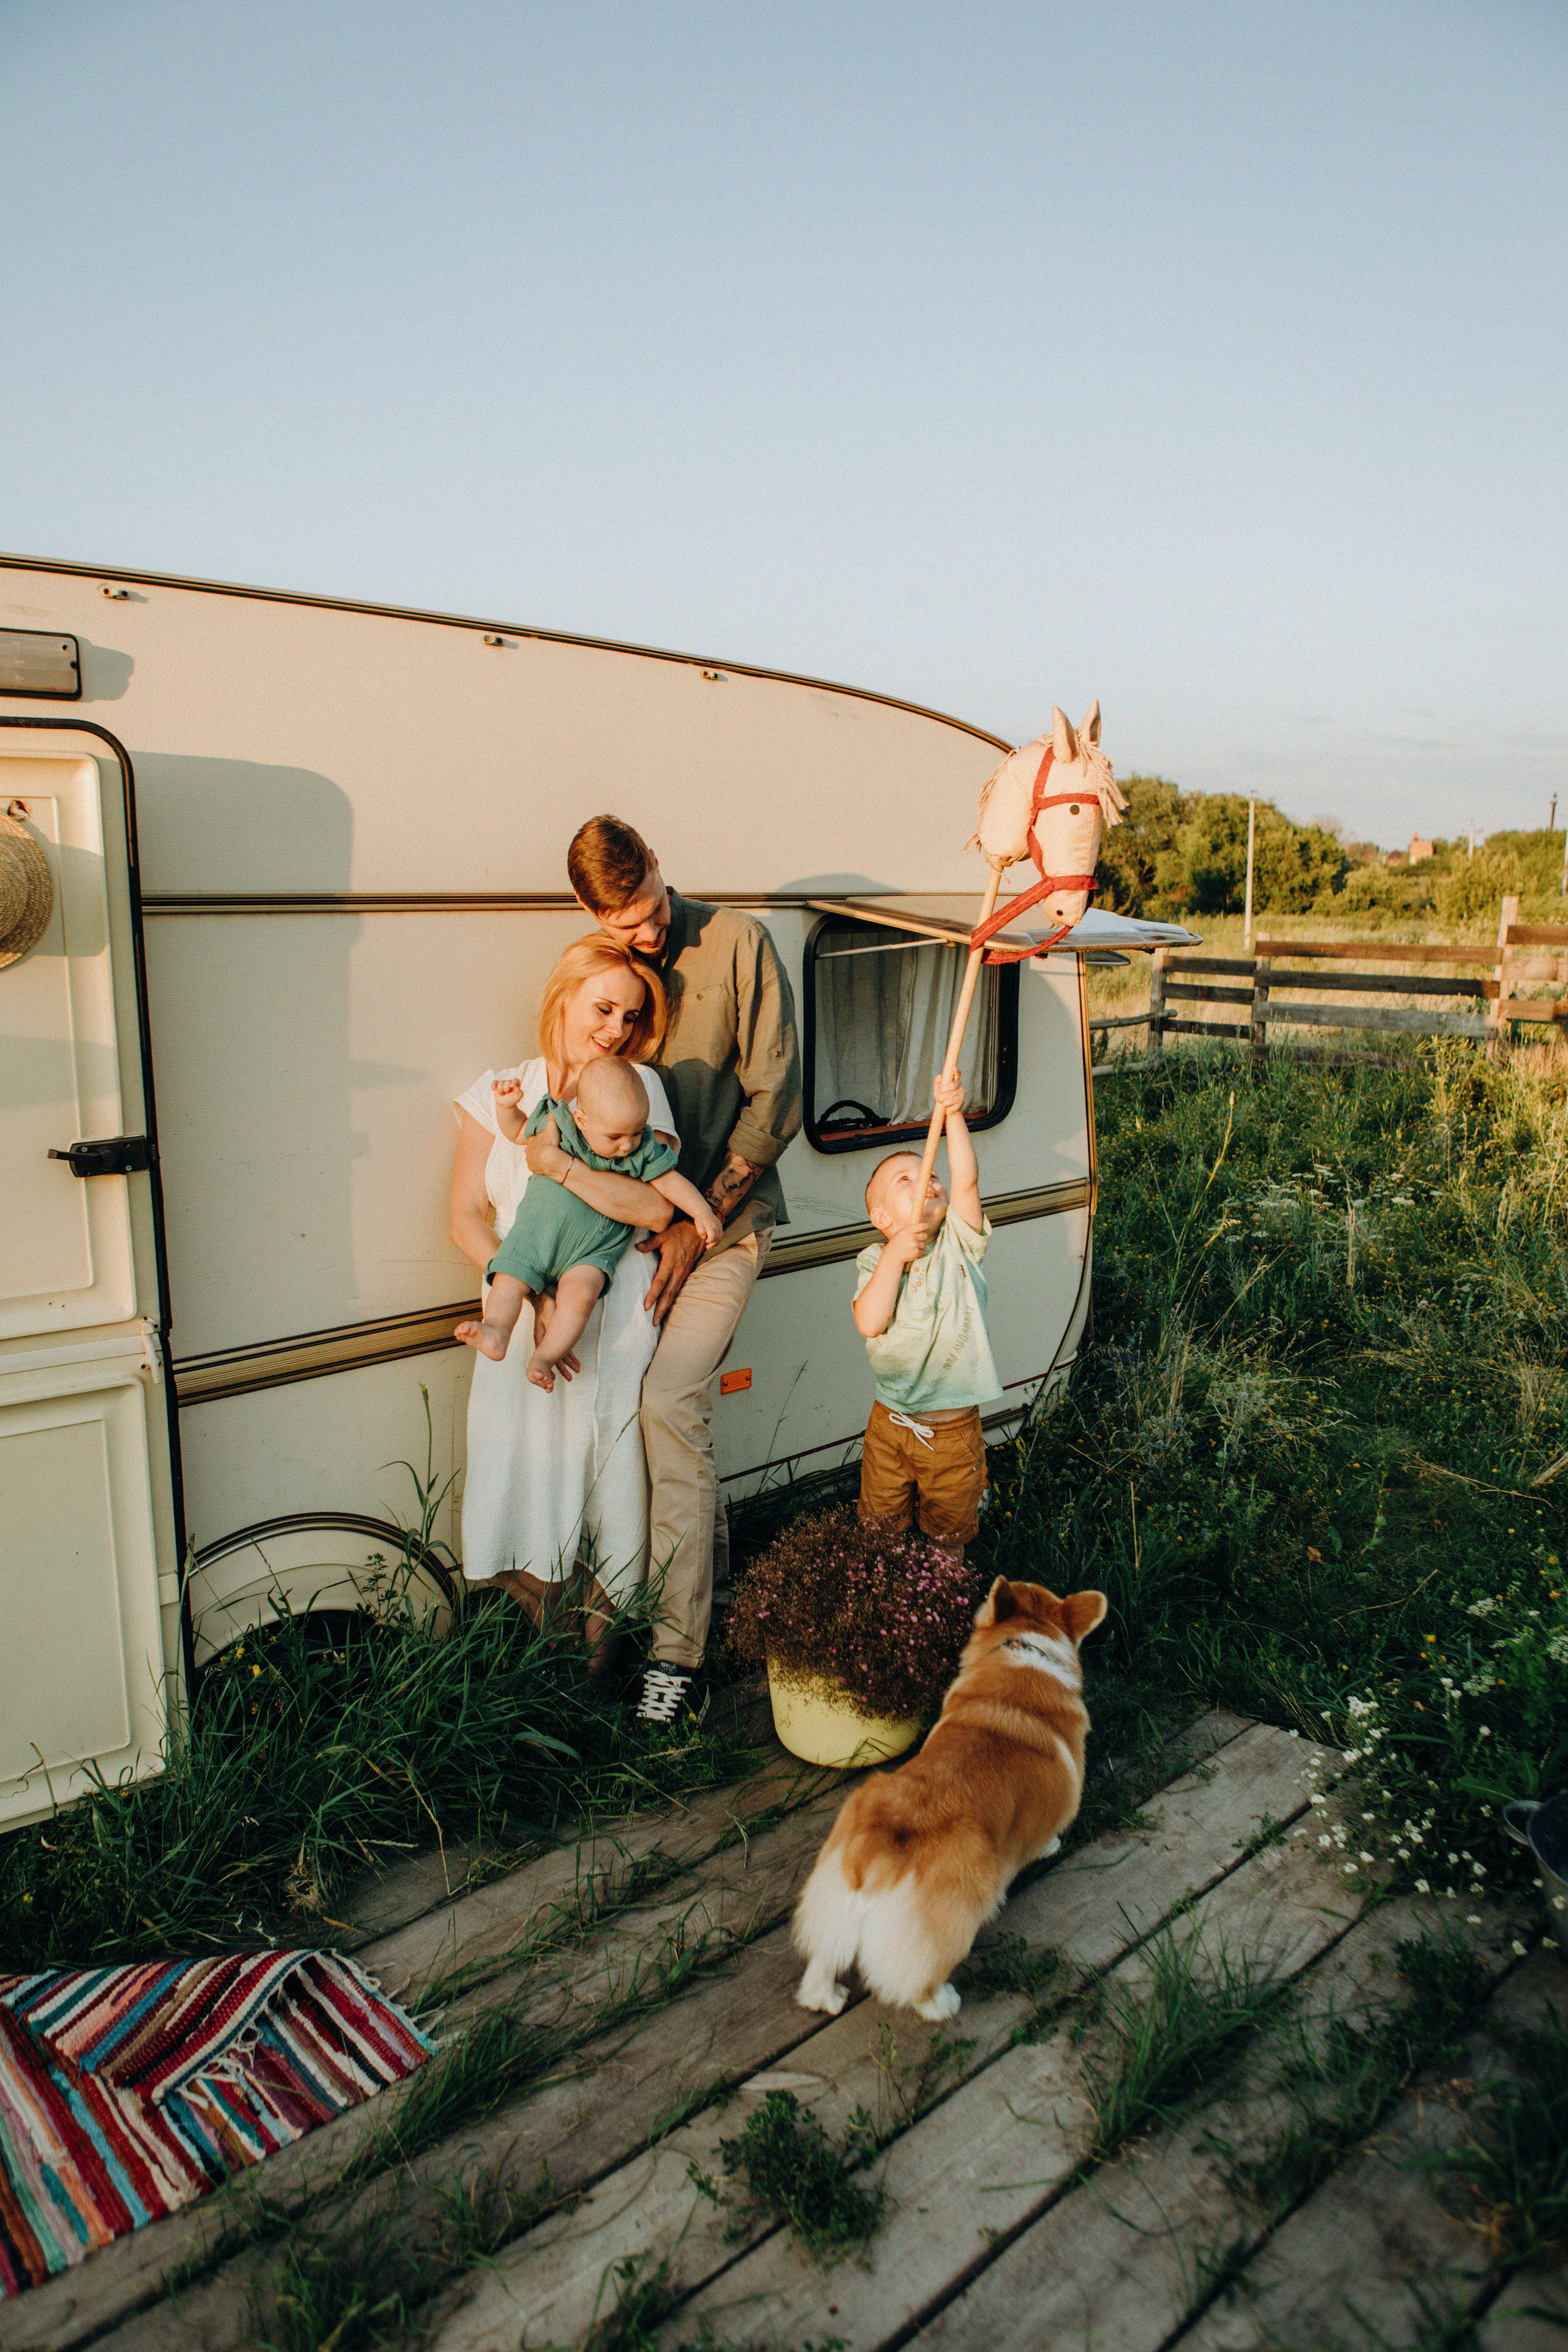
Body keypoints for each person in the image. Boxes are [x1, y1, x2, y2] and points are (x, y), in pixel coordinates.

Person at [550, 816, 802, 1729]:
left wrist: (703, 1223)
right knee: (633, 1412)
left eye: (654, 907)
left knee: (668, 1401)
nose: (650, 931)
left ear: (659, 864)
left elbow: (777, 1096)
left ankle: (677, 1660)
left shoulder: (739, 942)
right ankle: (714, 1603)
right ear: (594, 916)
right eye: (627, 923)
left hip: (729, 1230)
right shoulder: (605, 977)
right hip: (632, 1244)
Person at [449, 933, 679, 1667]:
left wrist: (558, 1168)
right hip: (516, 1313)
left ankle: (600, 1670)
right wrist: (533, 1293)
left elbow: (652, 1207)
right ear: (563, 998)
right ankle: (544, 1663)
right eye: (603, 1009)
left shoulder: (638, 1085)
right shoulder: (499, 1092)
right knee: (523, 1471)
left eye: (631, 1017)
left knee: (605, 1478)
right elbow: (465, 1218)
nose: (616, 1029)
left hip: (609, 1315)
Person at [456, 1059, 720, 1382]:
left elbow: (671, 1183)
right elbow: (517, 1131)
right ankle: (497, 1331)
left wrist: (702, 1212)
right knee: (508, 1278)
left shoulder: (641, 1150)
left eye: (637, 1133)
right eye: (615, 1136)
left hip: (592, 1252)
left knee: (581, 1298)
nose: (627, 1145)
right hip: (535, 1236)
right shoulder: (558, 1121)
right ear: (582, 1120)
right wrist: (506, 1107)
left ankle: (545, 1357)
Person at [851, 1070, 1001, 1551]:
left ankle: (944, 1587)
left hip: (952, 1431)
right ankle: (888, 1588)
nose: (927, 1182)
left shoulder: (960, 1242)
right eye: (906, 1180)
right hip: (891, 1423)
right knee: (880, 1529)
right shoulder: (875, 1261)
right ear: (881, 1218)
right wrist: (895, 1256)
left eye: (931, 1174)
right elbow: (869, 1321)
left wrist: (953, 1114)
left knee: (949, 1534)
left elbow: (968, 1180)